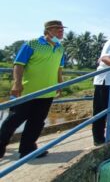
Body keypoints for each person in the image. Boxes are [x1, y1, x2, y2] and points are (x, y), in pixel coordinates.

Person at [0, 20, 66, 159]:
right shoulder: (32, 44)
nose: (61, 31)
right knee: (13, 121)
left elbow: (59, 69)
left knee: (37, 122)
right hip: (27, 91)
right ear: (48, 30)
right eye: (58, 29)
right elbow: (18, 64)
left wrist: (60, 84)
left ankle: (28, 149)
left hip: (47, 92)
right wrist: (17, 83)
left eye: (62, 29)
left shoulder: (60, 48)